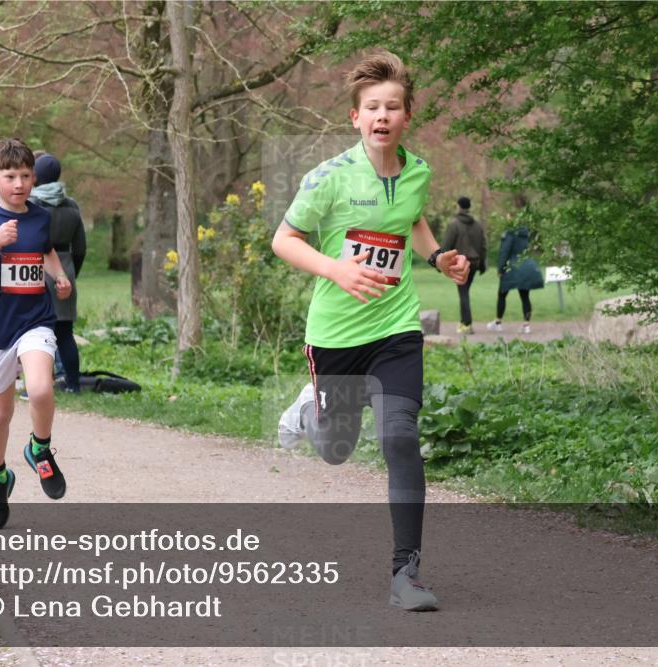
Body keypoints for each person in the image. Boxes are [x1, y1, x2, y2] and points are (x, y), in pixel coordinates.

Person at [271, 52, 470, 611]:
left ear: (407, 116)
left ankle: (406, 574)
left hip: (395, 327)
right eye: (372, 107)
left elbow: (411, 220)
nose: (383, 115)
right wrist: (336, 269)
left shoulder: (418, 172)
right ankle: (308, 411)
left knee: (399, 437)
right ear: (355, 117)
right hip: (336, 334)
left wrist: (437, 258)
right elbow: (284, 240)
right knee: (337, 450)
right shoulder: (329, 177)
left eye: (393, 107)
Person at [0, 138, 72, 529]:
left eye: (25, 175)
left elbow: (46, 251)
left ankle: (39, 449)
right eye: (10, 176)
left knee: (40, 389)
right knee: (1, 413)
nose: (20, 183)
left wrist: (58, 276)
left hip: (35, 320)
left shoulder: (40, 217)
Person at [29, 153, 87, 393]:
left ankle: (39, 384)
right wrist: (70, 273)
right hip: (65, 270)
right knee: (65, 333)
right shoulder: (71, 205)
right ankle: (73, 385)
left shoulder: (31, 204)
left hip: (35, 268)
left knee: (37, 334)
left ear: (36, 176)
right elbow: (80, 247)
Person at [441, 196, 487, 334]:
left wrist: (441, 262)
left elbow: (447, 245)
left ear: (459, 206)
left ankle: (466, 324)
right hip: (474, 263)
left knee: (463, 292)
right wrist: (482, 265)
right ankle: (464, 322)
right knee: (465, 291)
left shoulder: (454, 224)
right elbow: (483, 246)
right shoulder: (478, 225)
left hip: (460, 264)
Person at [486, 225, 544, 334]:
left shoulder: (510, 233)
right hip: (525, 266)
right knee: (525, 296)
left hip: (511, 267)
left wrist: (500, 269)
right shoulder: (525, 233)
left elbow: (505, 252)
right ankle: (526, 325)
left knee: (502, 294)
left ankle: (498, 323)